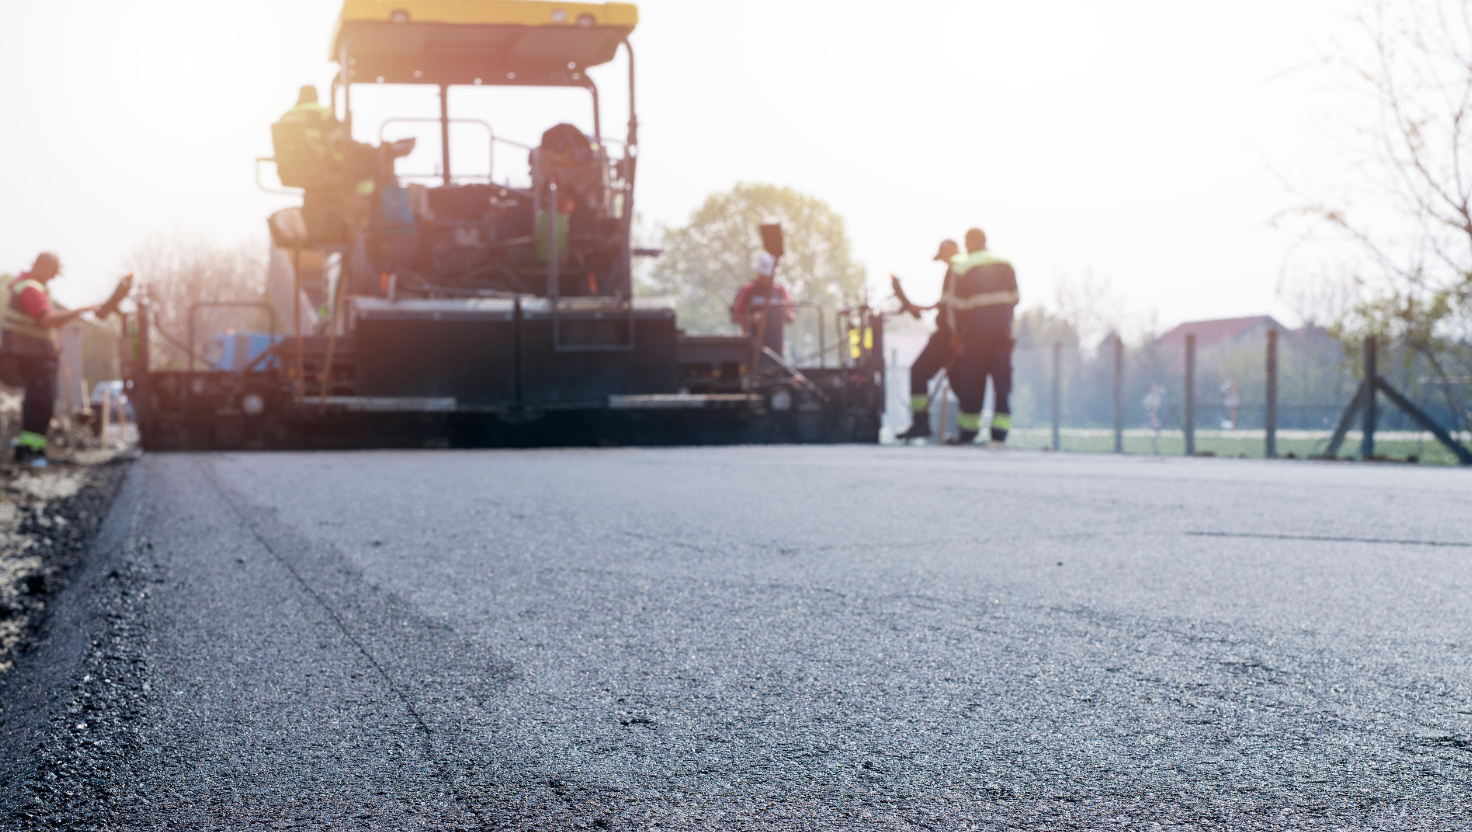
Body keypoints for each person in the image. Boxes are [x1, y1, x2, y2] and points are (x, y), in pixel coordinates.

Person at [2, 253, 98, 466]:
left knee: (39, 402)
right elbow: (47, 320)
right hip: (34, 358)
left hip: (35, 357)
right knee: (39, 403)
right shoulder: (30, 289)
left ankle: (32, 450)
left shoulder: (26, 286)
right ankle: (31, 452)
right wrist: (79, 310)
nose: (54, 277)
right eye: (53, 272)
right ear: (42, 266)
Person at [946, 228, 1019, 445]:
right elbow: (1015, 298)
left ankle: (968, 432)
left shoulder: (963, 267)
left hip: (976, 335)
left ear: (968, 242)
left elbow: (956, 306)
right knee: (1002, 384)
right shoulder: (1006, 263)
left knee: (972, 383)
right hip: (1002, 333)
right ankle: (999, 435)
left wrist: (957, 335)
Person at [894, 239, 961, 441]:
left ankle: (921, 423)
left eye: (943, 256)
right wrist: (924, 308)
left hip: (949, 336)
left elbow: (954, 307)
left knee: (919, 372)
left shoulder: (956, 269)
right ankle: (966, 431)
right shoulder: (958, 270)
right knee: (959, 381)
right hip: (955, 335)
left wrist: (956, 334)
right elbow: (946, 303)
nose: (943, 261)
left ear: (952, 250)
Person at [730, 252, 796, 359]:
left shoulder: (780, 290)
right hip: (750, 348)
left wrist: (785, 311)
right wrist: (751, 319)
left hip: (776, 349)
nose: (764, 278)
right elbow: (734, 317)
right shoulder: (747, 289)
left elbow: (791, 318)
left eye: (767, 275)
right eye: (762, 275)